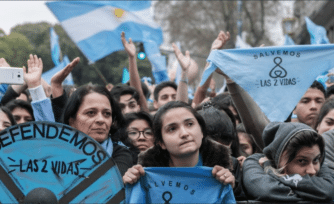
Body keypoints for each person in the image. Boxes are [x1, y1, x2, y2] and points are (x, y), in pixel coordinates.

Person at [123, 101, 235, 189]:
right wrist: (129, 185)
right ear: (161, 143)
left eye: (190, 124)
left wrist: (230, 187)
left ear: (202, 131)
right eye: (172, 129)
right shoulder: (145, 175)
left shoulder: (227, 168)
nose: (184, 133)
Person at [242, 122, 334, 202]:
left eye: (316, 160)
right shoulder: (254, 161)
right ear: (278, 159)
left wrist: (270, 170)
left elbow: (328, 191)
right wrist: (315, 193)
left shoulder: (321, 164)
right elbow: (266, 190)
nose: (312, 171)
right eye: (301, 161)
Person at [61, 84, 133, 176]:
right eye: (91, 113)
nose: (101, 120)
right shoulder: (57, 153)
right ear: (72, 121)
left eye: (107, 114)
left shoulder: (121, 154)